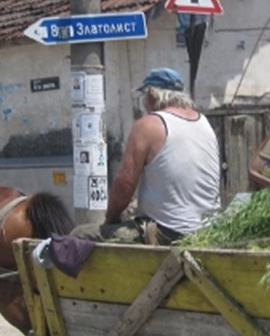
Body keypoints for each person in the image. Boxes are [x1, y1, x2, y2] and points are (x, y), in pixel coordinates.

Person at [72, 67, 221, 246]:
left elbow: (124, 186)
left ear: (152, 94)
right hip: (209, 229)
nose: (143, 102)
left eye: (143, 95)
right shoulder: (204, 123)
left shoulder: (148, 125)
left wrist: (110, 218)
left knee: (79, 234)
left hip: (168, 232)